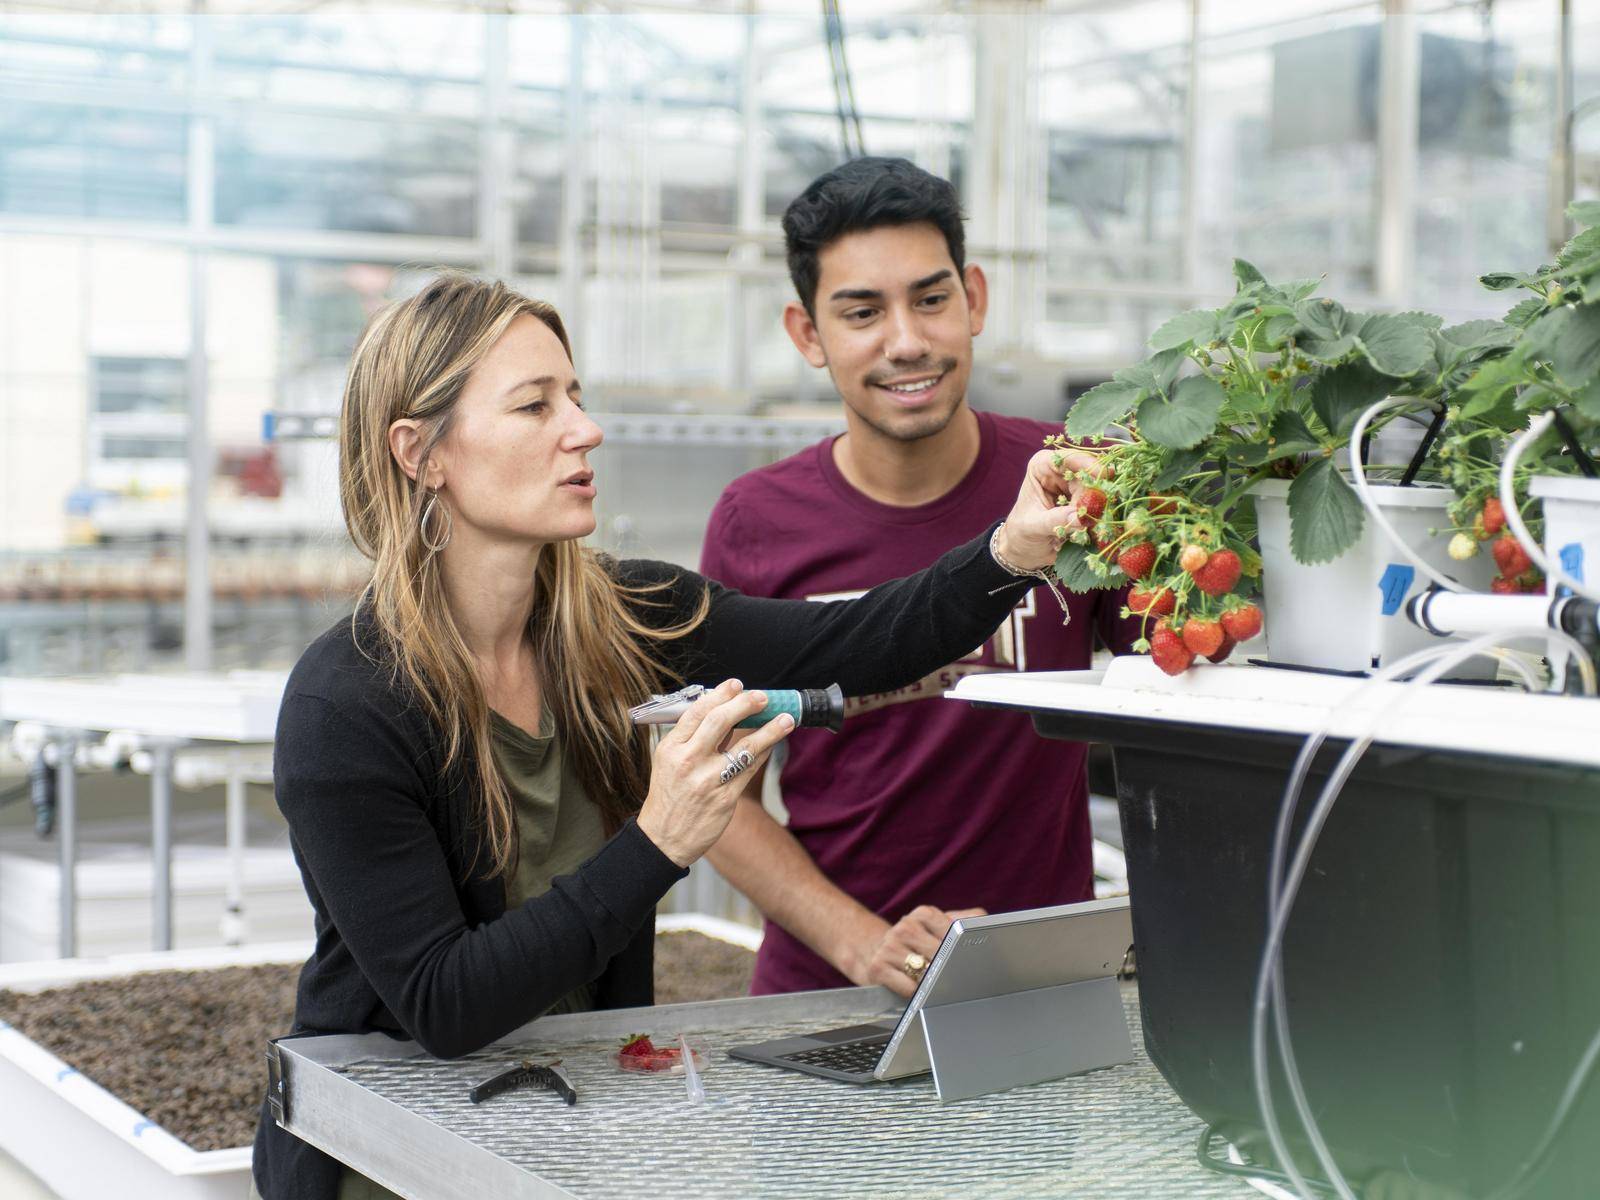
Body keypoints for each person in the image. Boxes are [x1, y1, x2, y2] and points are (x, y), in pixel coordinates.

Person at [251, 272, 1098, 1200]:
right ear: (422, 453)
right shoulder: (348, 705)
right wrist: (661, 839)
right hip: (388, 1159)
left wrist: (1010, 550)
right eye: (535, 405)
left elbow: (850, 642)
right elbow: (446, 1005)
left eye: (574, 396)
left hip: (567, 1135)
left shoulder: (626, 616)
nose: (584, 429)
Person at [700, 157, 1135, 1000]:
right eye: (861, 312)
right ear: (807, 335)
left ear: (973, 299)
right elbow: (723, 791)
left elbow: (1182, 706)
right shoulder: (756, 524)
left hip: (1037, 987)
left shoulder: (1072, 477)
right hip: (823, 997)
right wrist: (863, 945)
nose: (906, 341)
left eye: (930, 299)